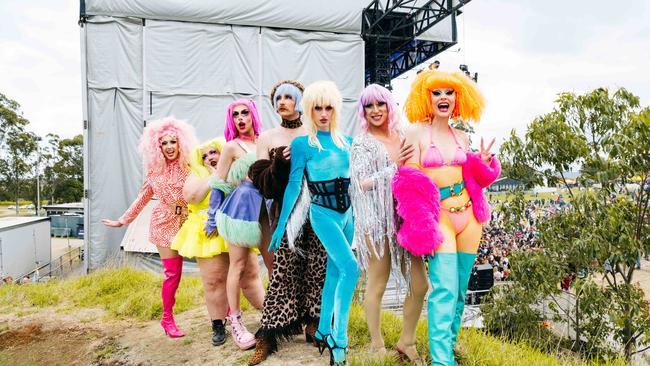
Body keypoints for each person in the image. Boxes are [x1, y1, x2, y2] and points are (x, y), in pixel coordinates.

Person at [394, 70, 500, 365]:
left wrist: (484, 163)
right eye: (436, 92)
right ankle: (441, 361)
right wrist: (419, 224)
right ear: (426, 98)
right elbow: (408, 182)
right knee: (444, 287)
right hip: (437, 216)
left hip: (469, 216)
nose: (443, 98)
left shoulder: (463, 137)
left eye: (449, 92)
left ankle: (448, 348)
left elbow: (473, 178)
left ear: (458, 98)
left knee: (460, 290)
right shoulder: (415, 133)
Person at [270, 81, 358, 366]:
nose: (323, 113)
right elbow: (294, 186)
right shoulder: (302, 144)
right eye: (317, 107)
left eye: (328, 107)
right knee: (351, 268)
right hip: (322, 213)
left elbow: (355, 183)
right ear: (308, 109)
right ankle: (338, 341)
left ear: (336, 108)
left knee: (334, 273)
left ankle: (321, 329)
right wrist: (282, 225)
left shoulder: (348, 142)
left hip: (348, 214)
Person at [247, 80, 327, 365]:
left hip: (319, 209)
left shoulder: (317, 131)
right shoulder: (267, 137)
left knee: (318, 266)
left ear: (299, 101)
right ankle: (269, 334)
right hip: (285, 212)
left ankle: (314, 323)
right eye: (278, 97)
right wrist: (279, 161)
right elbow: (260, 182)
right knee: (282, 270)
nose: (282, 101)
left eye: (288, 97)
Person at [349, 84, 427, 364]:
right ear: (363, 111)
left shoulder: (402, 136)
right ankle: (377, 345)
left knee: (420, 285)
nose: (375, 111)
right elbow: (361, 183)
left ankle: (407, 341)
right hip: (376, 221)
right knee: (377, 283)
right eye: (368, 106)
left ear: (388, 106)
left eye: (379, 104)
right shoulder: (362, 143)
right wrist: (395, 168)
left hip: (406, 218)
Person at [102, 116, 198, 338]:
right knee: (173, 273)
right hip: (164, 222)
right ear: (157, 147)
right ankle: (167, 319)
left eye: (173, 141)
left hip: (190, 221)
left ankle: (223, 315)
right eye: (164, 143)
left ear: (181, 143)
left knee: (212, 267)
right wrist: (123, 220)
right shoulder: (154, 172)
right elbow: (142, 198)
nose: (169, 147)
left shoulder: (192, 165)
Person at [171, 138, 265, 346]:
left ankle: (271, 315)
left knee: (249, 275)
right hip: (207, 231)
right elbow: (192, 197)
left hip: (233, 225)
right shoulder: (196, 175)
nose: (209, 158)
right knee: (214, 280)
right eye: (204, 156)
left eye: (213, 152)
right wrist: (216, 173)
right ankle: (218, 324)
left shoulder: (237, 169)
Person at [206, 99, 264, 350]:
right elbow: (219, 184)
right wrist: (211, 218)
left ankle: (276, 317)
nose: (241, 118)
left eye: (245, 113)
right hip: (239, 210)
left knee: (275, 265)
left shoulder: (265, 140)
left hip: (266, 210)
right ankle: (236, 323)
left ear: (253, 115)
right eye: (236, 115)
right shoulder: (231, 147)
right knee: (237, 266)